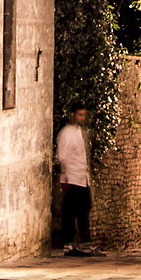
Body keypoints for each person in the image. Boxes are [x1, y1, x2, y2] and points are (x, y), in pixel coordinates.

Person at [54, 105, 98, 255]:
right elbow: (62, 156)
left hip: (82, 178)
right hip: (71, 178)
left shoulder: (81, 132)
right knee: (70, 213)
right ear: (72, 115)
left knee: (84, 211)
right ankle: (68, 245)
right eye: (80, 115)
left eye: (84, 115)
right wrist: (64, 177)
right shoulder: (66, 133)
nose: (82, 118)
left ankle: (85, 244)